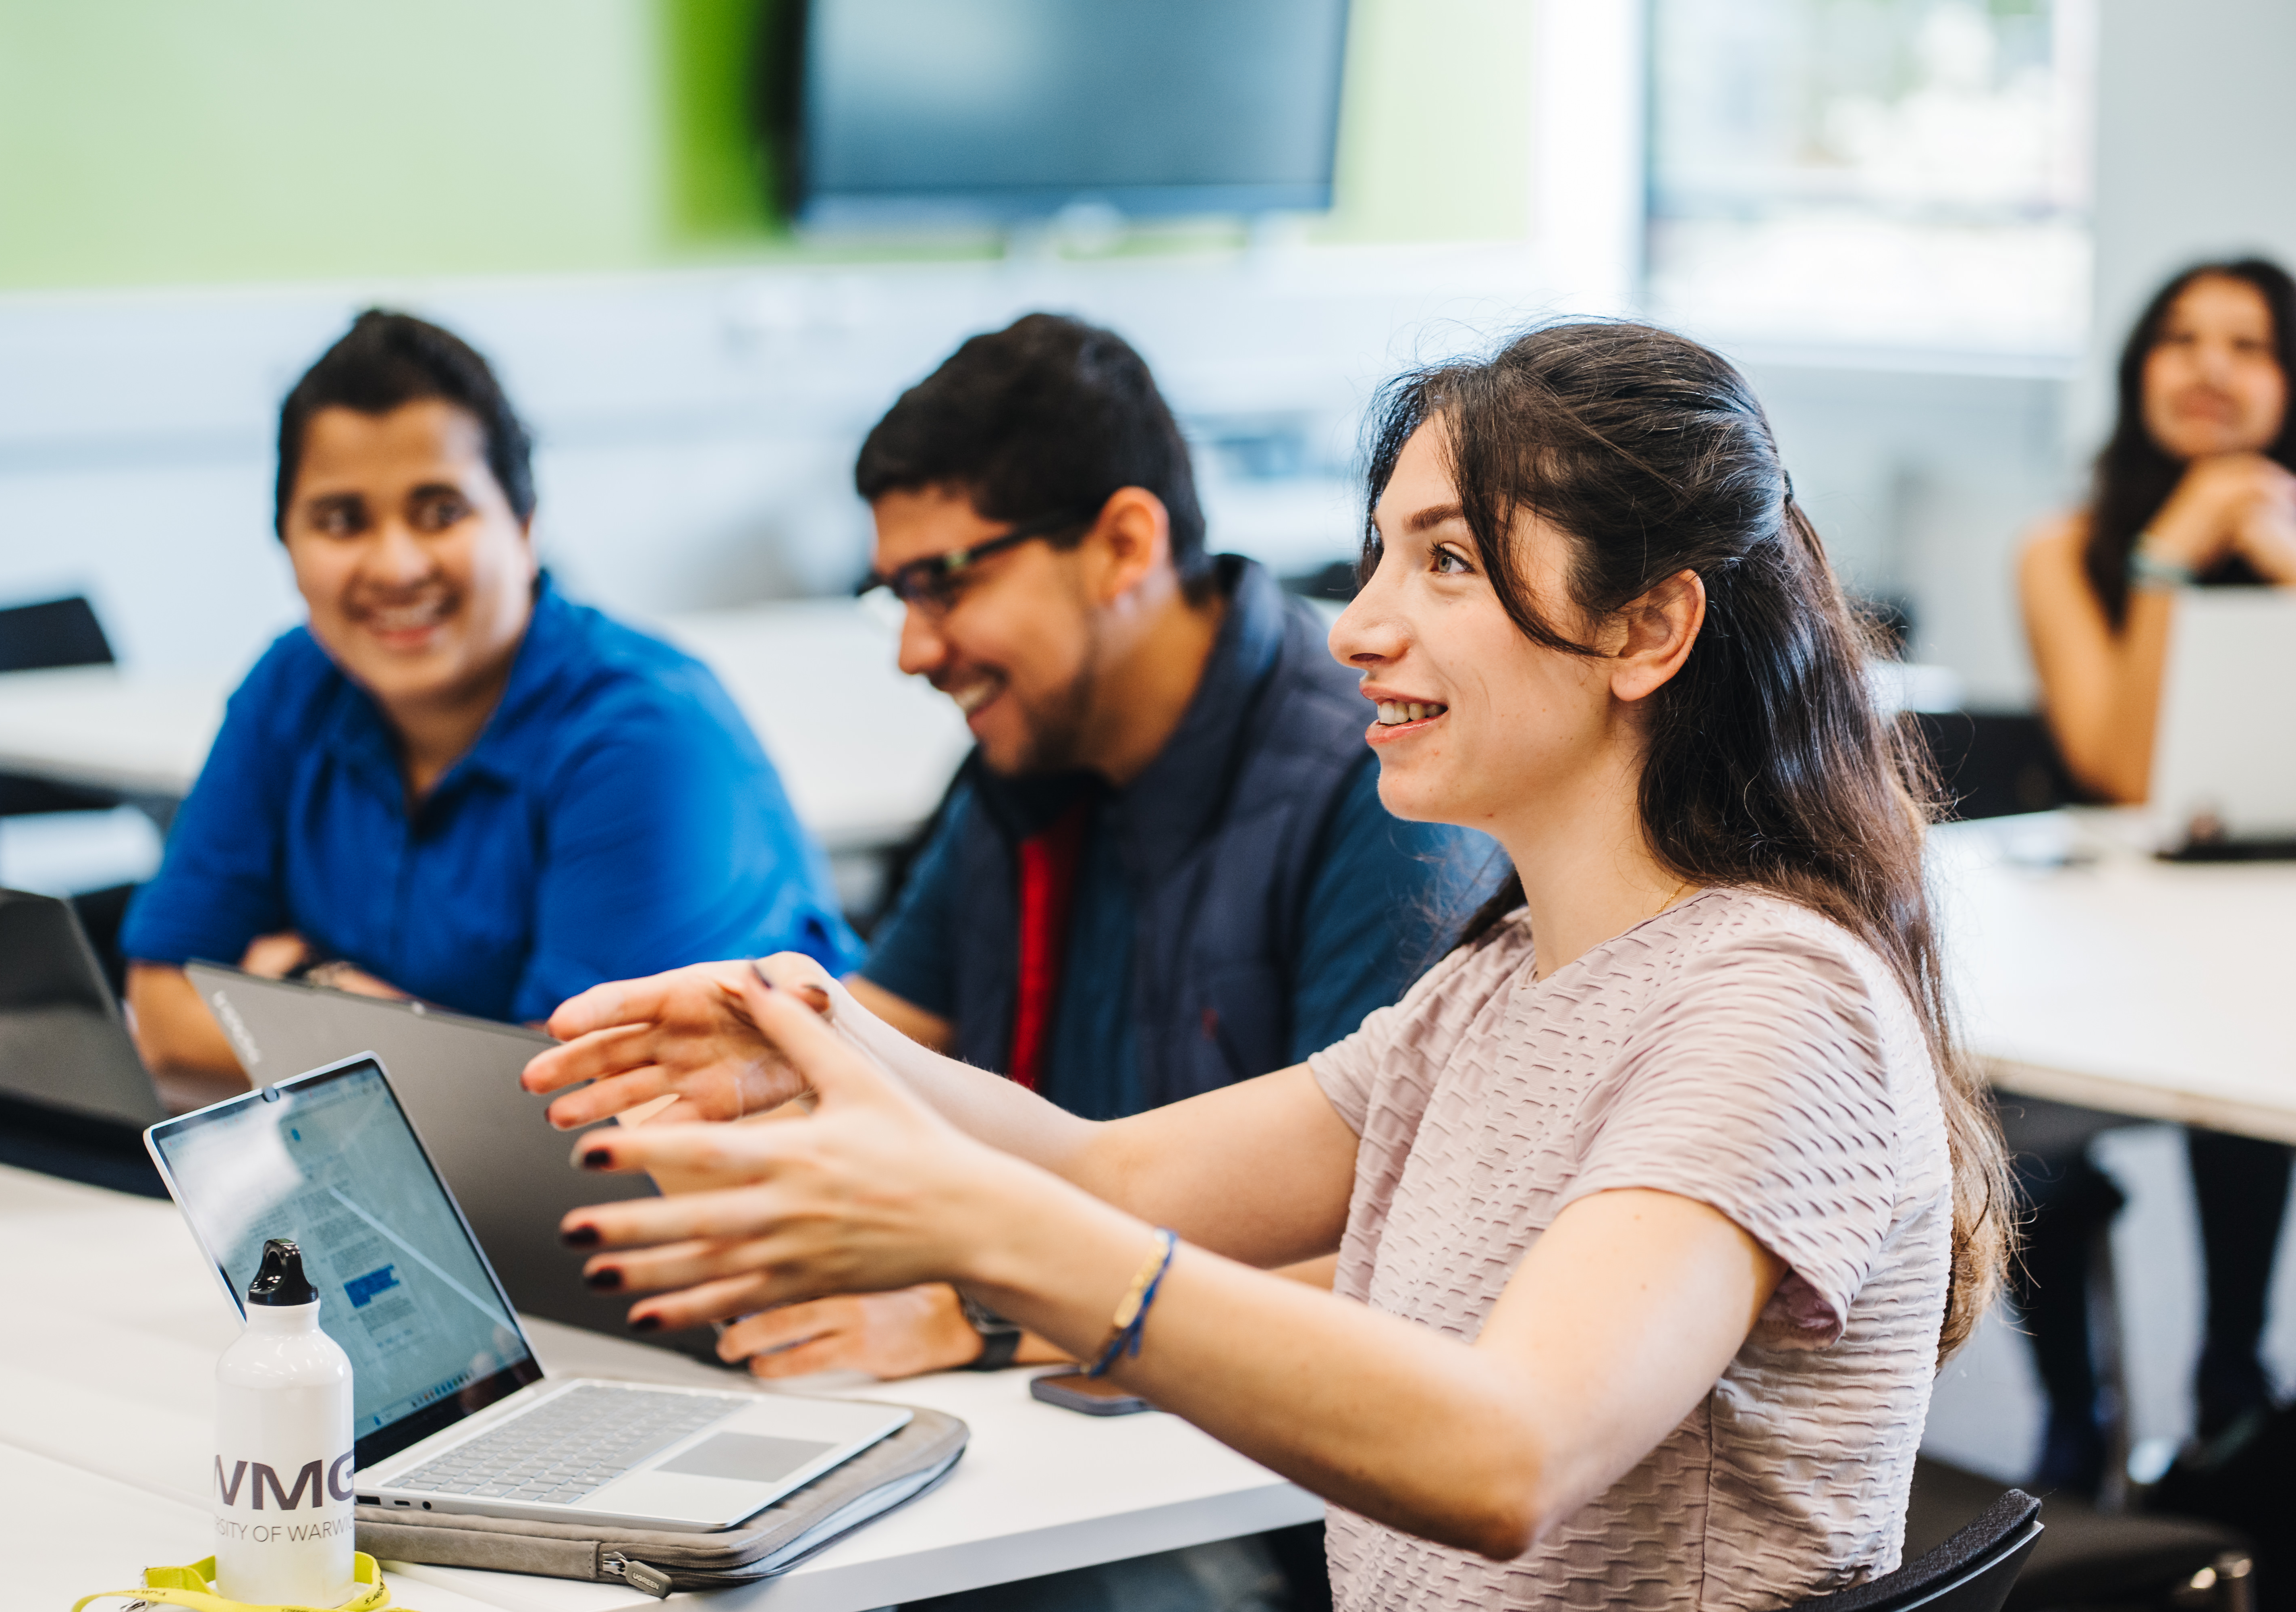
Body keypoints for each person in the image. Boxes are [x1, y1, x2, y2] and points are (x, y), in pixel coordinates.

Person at [528, 322, 2012, 1608]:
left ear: (1648, 628)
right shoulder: (1497, 988)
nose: (1362, 626)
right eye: (1379, 558)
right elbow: (1114, 1179)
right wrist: (808, 1034)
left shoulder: (1772, 1004)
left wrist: (976, 1235)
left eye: (1446, 561)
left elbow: (1509, 1454)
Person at [705, 312, 1501, 1391]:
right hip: (1053, 1395)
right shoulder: (1025, 761)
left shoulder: (1383, 795)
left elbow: (1384, 1260)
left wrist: (975, 1315)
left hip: (1243, 1472)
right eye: (897, 595)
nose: (913, 650)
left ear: (1125, 544)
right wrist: (717, 1086)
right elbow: (872, 1049)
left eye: (945, 584)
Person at [123, 311, 859, 1084]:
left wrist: (312, 989)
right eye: (342, 522)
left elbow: (575, 1097)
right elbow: (165, 1015)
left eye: (441, 511)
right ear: (288, 547)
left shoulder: (643, 732)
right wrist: (434, 1046)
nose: (396, 565)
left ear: (525, 525)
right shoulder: (293, 684)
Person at [2015, 258, 2296, 1485]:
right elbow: (2121, 767)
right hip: (2112, 951)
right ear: (2139, 372)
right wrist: (2171, 559)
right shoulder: (2065, 548)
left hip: (2262, 946)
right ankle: (2077, 1414)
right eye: (2181, 339)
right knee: (2014, 1136)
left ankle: (2232, 1381)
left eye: (2250, 344)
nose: (2211, 369)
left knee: (2253, 1082)